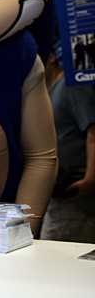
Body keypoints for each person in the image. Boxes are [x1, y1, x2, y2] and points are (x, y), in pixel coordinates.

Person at [40, 42, 95, 243]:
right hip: (56, 190)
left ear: (52, 57)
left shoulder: (71, 85)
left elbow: (93, 130)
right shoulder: (44, 91)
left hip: (75, 191)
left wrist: (90, 178)